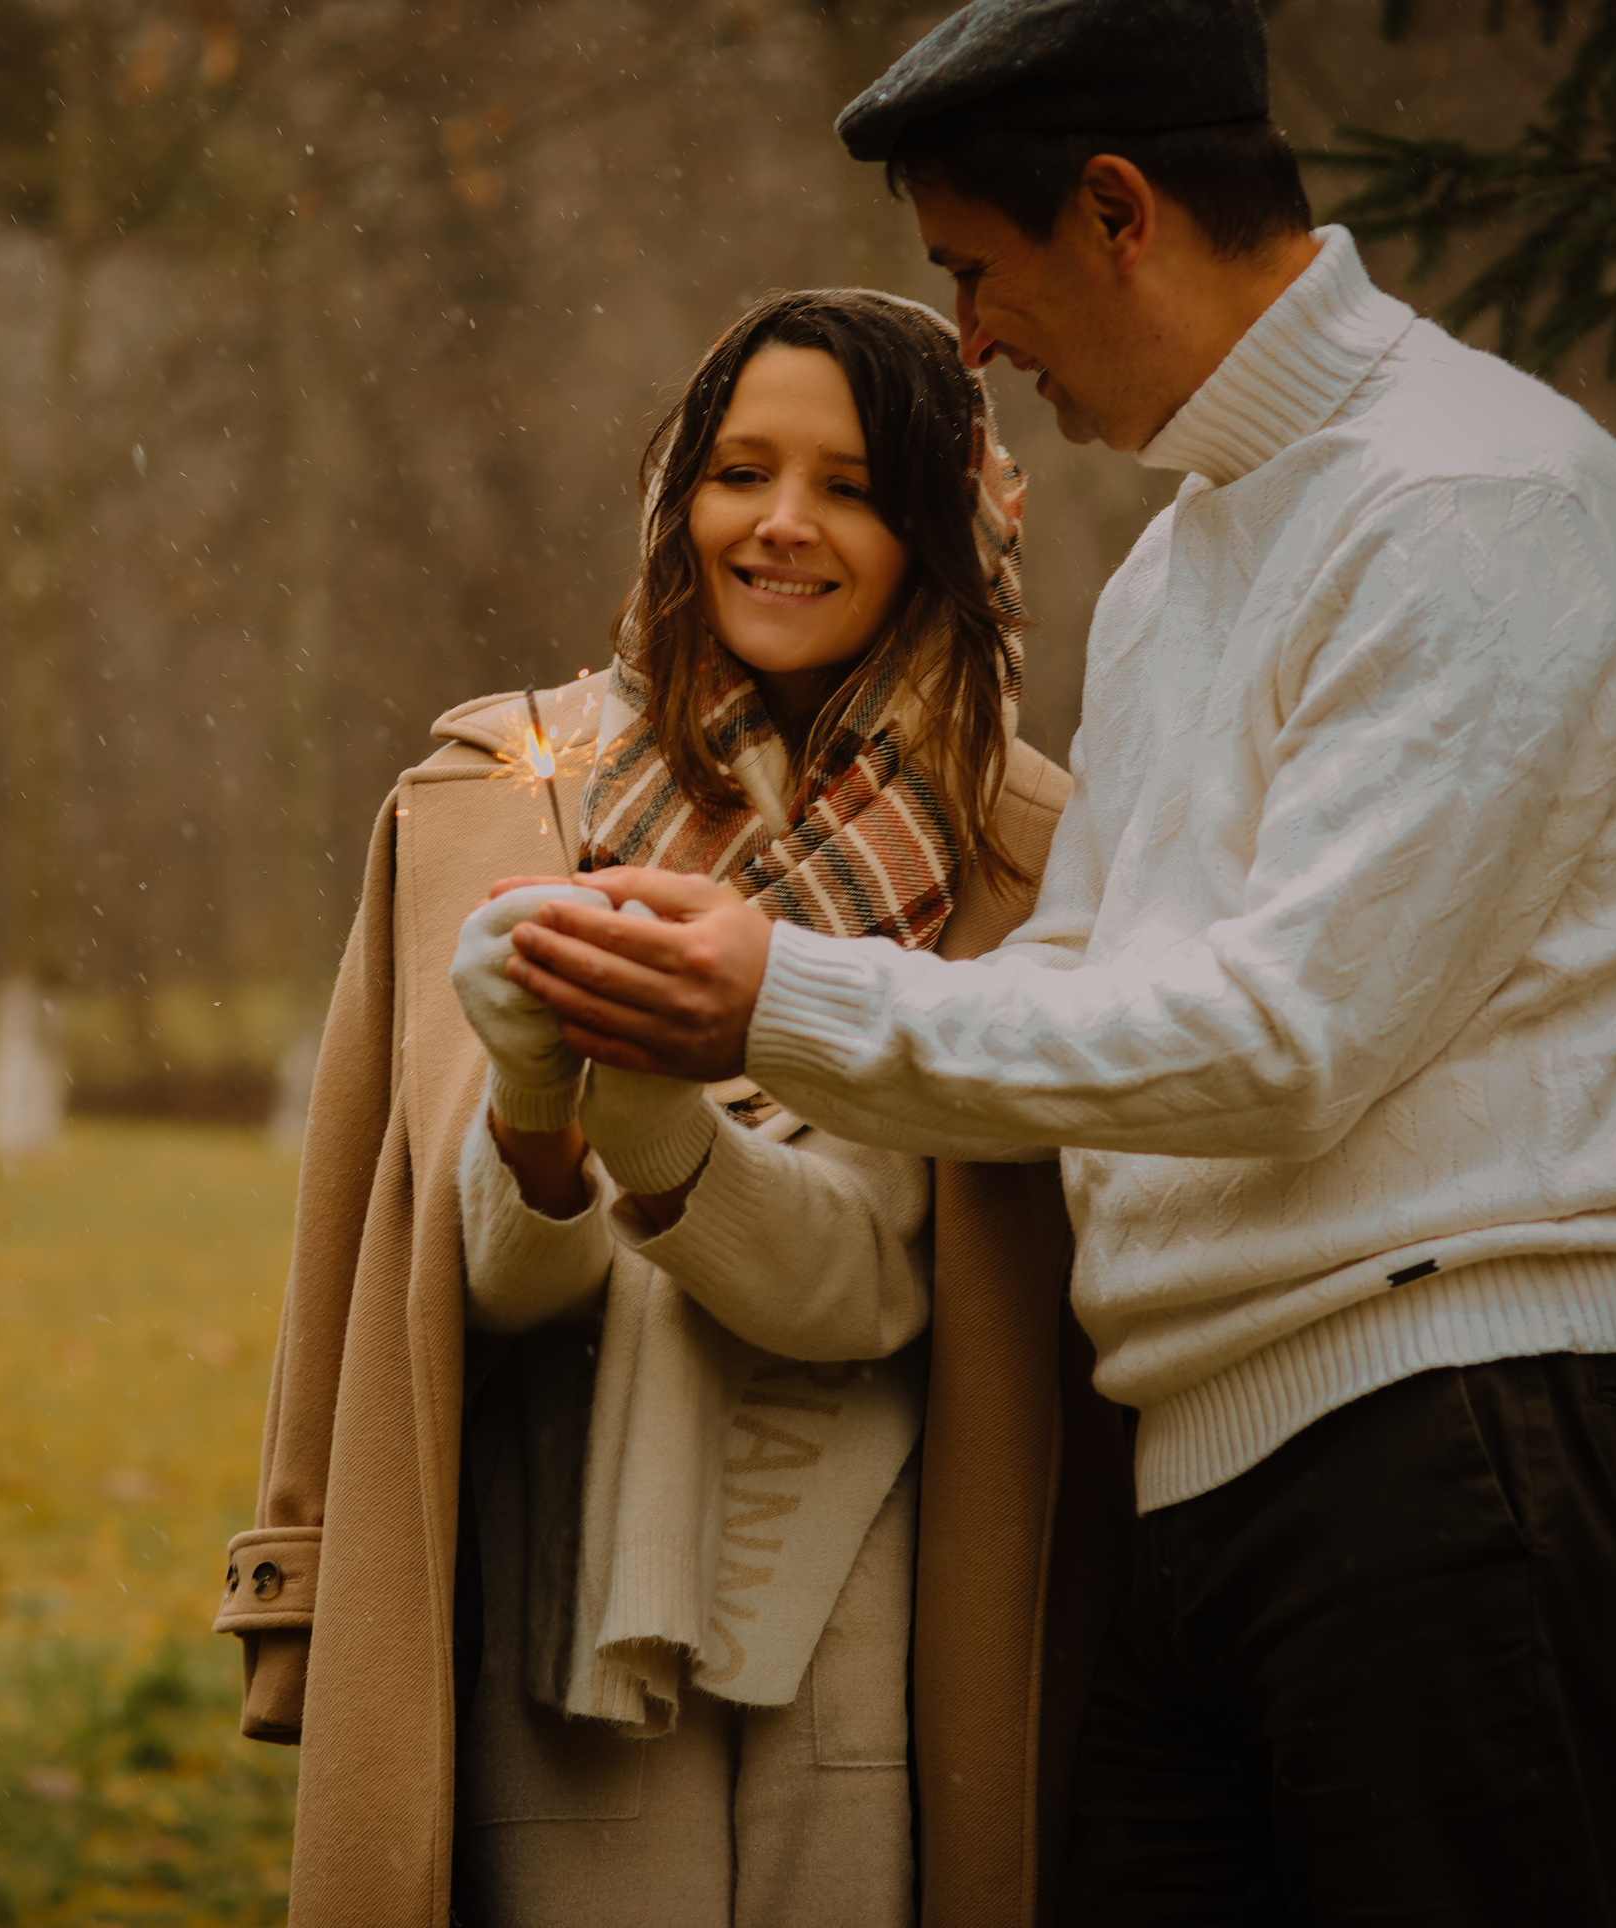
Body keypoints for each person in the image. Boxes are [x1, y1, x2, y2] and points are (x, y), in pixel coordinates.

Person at [497, 3, 1616, 1924]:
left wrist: (779, 1001)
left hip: (1464, 1440)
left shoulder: (1471, 504)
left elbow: (1283, 1038)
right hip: (1208, 1475)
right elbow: (1077, 976)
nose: (969, 343)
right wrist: (713, 1036)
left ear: (1119, 209)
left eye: (973, 275)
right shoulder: (1180, 567)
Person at [215, 287, 1128, 1928]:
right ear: (673, 498)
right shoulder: (491, 805)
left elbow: (862, 1289)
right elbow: (458, 1282)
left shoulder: (1029, 851)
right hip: (545, 1594)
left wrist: (649, 1116)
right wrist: (538, 1107)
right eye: (738, 471)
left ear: (943, 526)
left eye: (852, 486)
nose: (782, 526)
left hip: (870, 1623)